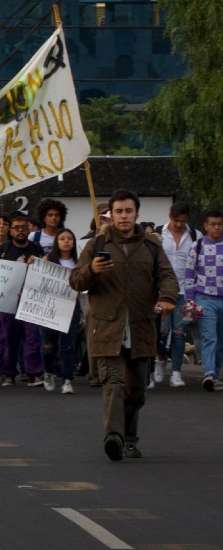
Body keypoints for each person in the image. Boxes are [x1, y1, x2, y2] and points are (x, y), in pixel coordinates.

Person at [70, 189, 177, 460]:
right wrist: (92, 270)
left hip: (141, 326)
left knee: (137, 391)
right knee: (114, 383)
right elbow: (75, 281)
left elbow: (167, 276)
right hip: (107, 327)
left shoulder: (152, 246)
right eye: (119, 211)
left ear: (137, 214)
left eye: (129, 211)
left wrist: (166, 298)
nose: (124, 216)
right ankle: (113, 438)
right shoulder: (96, 245)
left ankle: (129, 438)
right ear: (111, 214)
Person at [0, 211, 46, 387]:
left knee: (32, 338)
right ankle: (8, 374)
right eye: (16, 228)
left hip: (31, 300)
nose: (20, 231)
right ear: (11, 231)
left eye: (24, 227)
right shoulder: (4, 249)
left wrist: (39, 262)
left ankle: (34, 373)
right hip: (8, 301)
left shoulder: (36, 248)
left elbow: (46, 272)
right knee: (7, 339)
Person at [155, 202, 196, 387]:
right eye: (176, 220)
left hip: (184, 290)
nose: (179, 225)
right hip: (162, 290)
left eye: (183, 221)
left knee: (180, 333)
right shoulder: (158, 233)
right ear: (169, 216)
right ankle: (160, 362)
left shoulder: (194, 235)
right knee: (161, 330)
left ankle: (177, 371)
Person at [40, 229, 83, 394]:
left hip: (71, 306)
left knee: (68, 345)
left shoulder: (79, 263)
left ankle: (67, 380)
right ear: (57, 242)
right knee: (48, 345)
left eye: (70, 238)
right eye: (62, 238)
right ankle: (49, 372)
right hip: (49, 306)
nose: (66, 241)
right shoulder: (48, 261)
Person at [184, 210, 223, 392]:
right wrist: (190, 300)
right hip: (204, 298)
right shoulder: (197, 246)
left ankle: (216, 372)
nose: (216, 227)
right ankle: (209, 373)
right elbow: (189, 274)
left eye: (220, 224)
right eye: (213, 224)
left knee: (221, 340)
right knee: (210, 337)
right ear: (205, 226)